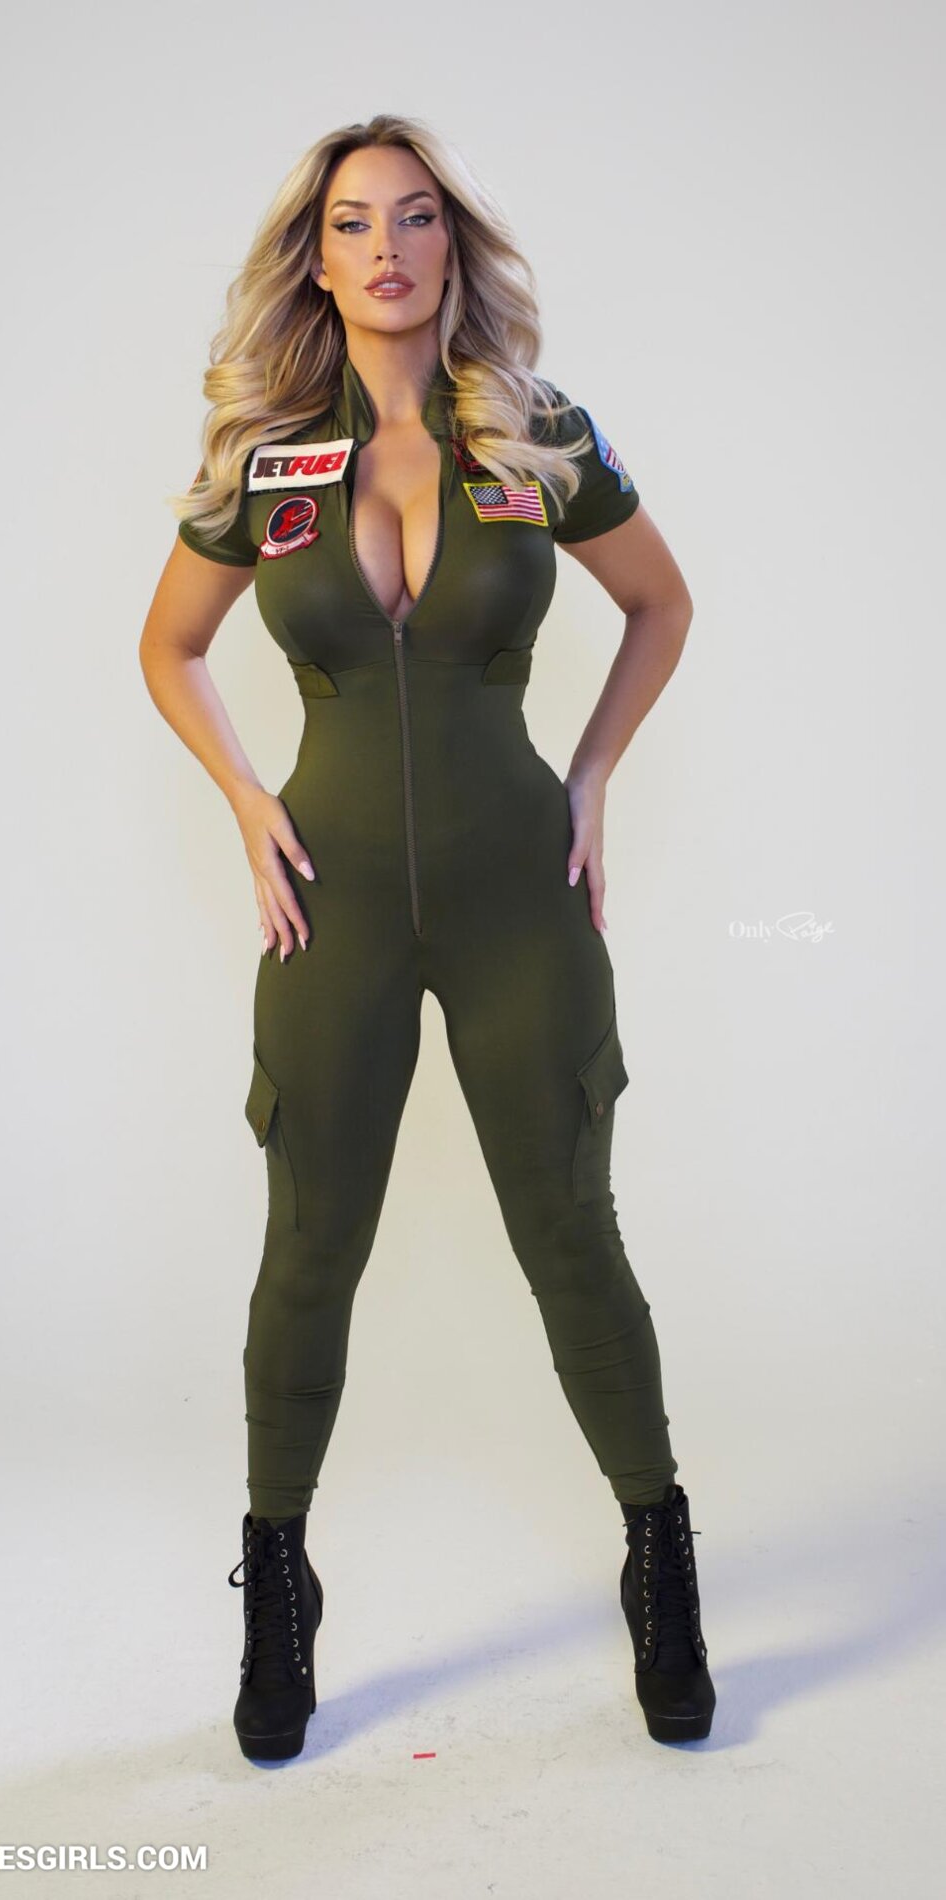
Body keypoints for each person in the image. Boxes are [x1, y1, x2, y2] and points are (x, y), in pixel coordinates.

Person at [138, 113, 715, 1761]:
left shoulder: (535, 433)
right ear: (313, 257)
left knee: (569, 1228)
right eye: (350, 223)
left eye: (412, 219)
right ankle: (277, 1579)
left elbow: (660, 603)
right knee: (309, 1242)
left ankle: (659, 1558)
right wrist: (244, 798)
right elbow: (168, 648)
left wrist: (588, 775)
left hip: (517, 894)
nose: (383, 249)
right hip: (329, 909)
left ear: (451, 244)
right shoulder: (271, 456)